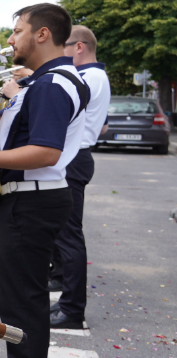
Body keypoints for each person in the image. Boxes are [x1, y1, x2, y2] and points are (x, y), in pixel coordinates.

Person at [0, 4, 91, 358]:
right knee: (21, 298)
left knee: (22, 301)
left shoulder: (53, 85)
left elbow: (44, 151)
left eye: (17, 31)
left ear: (42, 35)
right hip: (30, 197)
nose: (9, 40)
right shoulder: (44, 83)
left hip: (32, 199)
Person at [48, 26, 111, 329]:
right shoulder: (94, 77)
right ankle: (63, 288)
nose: (60, 53)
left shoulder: (87, 78)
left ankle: (73, 310)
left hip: (73, 158)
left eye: (64, 46)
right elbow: (102, 128)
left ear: (80, 47)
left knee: (69, 235)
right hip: (76, 157)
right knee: (63, 231)